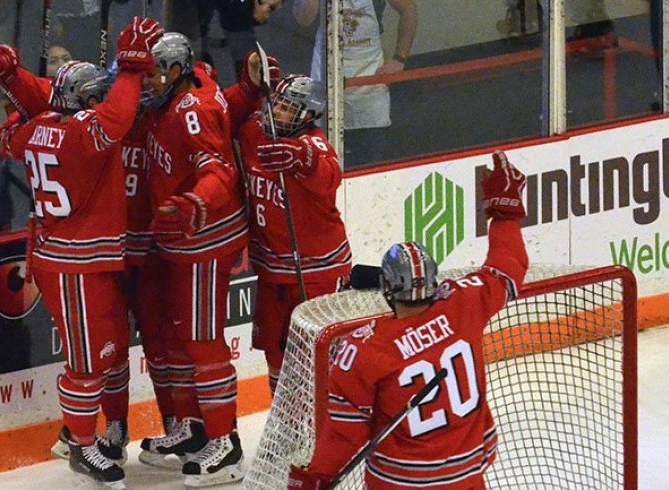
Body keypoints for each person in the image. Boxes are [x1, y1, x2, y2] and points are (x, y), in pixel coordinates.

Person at [0, 17, 164, 487]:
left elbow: (22, 121)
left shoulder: (39, 126)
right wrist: (132, 69)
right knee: (86, 361)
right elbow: (116, 115)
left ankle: (113, 428)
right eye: (93, 96)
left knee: (112, 348)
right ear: (85, 101)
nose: (101, 101)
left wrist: (13, 84)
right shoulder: (86, 132)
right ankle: (79, 443)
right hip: (72, 262)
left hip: (82, 257)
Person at [287, 150, 529, 490]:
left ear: (387, 289)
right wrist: (504, 214)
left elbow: (345, 433)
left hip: (402, 482)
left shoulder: (364, 348)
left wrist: (316, 476)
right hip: (468, 475)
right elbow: (508, 267)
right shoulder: (465, 302)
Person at [135, 31, 249, 486]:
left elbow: (219, 170)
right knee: (181, 339)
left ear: (178, 72)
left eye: (155, 73)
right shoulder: (182, 91)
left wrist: (196, 201)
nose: (147, 83)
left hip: (205, 239)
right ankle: (194, 430)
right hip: (180, 241)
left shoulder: (192, 111)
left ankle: (227, 445)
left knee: (203, 343)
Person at [236, 74, 352, 395]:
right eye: (276, 103)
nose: (275, 112)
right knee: (275, 353)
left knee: (320, 354)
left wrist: (303, 160)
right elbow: (228, 120)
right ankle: (287, 428)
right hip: (273, 272)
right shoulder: (253, 133)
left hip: (317, 271)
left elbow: (330, 174)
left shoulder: (312, 144)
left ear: (307, 115)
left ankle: (329, 426)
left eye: (286, 108)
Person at [293, 0, 417, 130]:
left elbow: (408, 10)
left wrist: (399, 58)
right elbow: (304, 20)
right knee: (325, 141)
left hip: (370, 78)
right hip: (326, 77)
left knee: (372, 141)